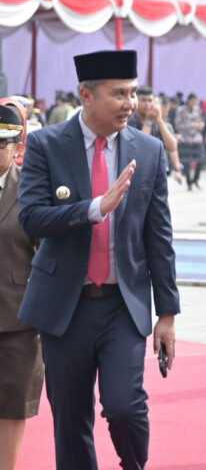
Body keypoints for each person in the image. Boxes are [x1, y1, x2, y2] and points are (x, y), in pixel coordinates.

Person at [17, 50, 179, 470]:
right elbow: (31, 218)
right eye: (119, 94)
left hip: (121, 305)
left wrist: (167, 314)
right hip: (63, 305)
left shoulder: (148, 150)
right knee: (70, 420)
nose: (130, 103)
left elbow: (159, 236)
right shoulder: (45, 144)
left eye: (133, 92)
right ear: (86, 96)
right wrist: (93, 209)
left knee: (125, 407)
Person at [0, 100, 43, 470]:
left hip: (18, 316)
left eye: (2, 143)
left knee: (13, 405)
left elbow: (46, 255)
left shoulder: (30, 190)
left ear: (17, 147)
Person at [130, 86, 183, 183]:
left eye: (150, 101)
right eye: (143, 100)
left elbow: (172, 147)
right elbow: (140, 147)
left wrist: (159, 120)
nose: (147, 104)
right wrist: (148, 122)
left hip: (156, 174)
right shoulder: (130, 120)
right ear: (136, 101)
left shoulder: (157, 122)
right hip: (136, 174)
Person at [175, 92, 206, 191]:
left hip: (197, 138)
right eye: (193, 101)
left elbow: (201, 121)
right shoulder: (181, 110)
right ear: (189, 100)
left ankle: (196, 179)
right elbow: (178, 125)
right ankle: (189, 182)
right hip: (186, 139)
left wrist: (200, 125)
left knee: (201, 159)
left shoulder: (197, 109)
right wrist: (191, 125)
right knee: (187, 162)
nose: (194, 103)